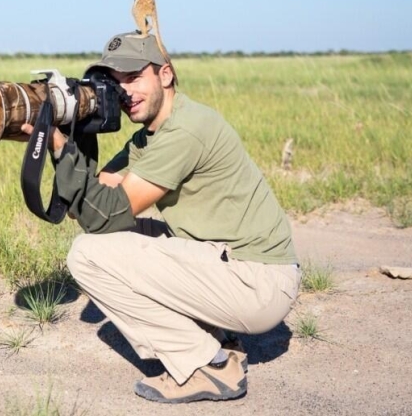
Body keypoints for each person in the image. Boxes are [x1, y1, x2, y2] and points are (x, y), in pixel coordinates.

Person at [42, 33, 300, 404]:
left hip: (258, 283)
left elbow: (102, 215)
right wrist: (72, 128)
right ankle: (217, 338)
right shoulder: (151, 135)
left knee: (87, 254)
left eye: (133, 77)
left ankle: (206, 368)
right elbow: (94, 197)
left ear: (165, 75)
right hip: (238, 266)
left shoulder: (185, 130)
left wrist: (57, 146)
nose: (124, 91)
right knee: (117, 235)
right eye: (114, 83)